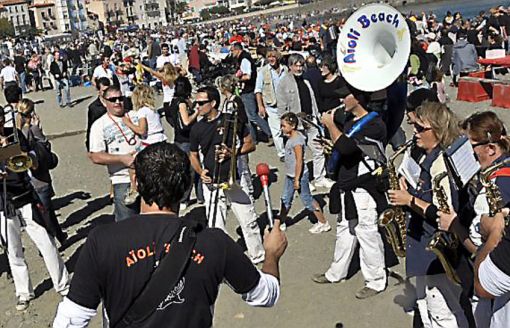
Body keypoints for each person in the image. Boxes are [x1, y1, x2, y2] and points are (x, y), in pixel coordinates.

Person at [53, 142, 287, 327]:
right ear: (186, 187)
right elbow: (266, 295)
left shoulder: (102, 241)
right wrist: (272, 254)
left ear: (135, 182)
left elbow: (70, 320)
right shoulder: (215, 242)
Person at [388, 102, 469, 327]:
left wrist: (410, 200)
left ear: (438, 129)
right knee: (427, 307)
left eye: (421, 128)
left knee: (443, 312)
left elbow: (444, 214)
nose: (415, 131)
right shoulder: (428, 155)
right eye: (415, 125)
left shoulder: (442, 164)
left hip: (434, 250)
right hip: (421, 245)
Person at [313, 90, 388, 299]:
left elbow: (347, 147)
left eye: (345, 96)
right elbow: (343, 147)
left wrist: (330, 124)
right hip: (347, 186)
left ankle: (376, 280)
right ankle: (336, 273)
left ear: (358, 98)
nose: (340, 100)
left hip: (364, 188)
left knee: (367, 233)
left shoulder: (375, 125)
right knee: (345, 229)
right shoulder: (348, 119)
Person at [0, 106, 69, 311]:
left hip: (26, 197)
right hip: (3, 203)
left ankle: (63, 285)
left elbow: (29, 158)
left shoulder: (15, 135)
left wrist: (7, 148)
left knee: (46, 241)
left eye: (0, 120)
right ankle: (24, 292)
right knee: (14, 251)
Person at [189, 86, 265, 264]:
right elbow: (192, 155)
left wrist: (234, 152)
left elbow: (250, 143)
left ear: (213, 103)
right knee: (216, 226)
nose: (196, 107)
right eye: (196, 103)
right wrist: (201, 172)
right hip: (211, 182)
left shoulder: (231, 120)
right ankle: (221, 262)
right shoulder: (197, 129)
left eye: (201, 103)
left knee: (248, 220)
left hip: (234, 179)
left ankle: (258, 256)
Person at [276, 53, 332, 189]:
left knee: (318, 149)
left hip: (310, 121)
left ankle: (320, 177)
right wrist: (287, 126)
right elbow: (282, 107)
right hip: (296, 124)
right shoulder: (283, 83)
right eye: (296, 65)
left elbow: (312, 100)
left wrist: (317, 117)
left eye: (301, 65)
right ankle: (303, 180)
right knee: (300, 155)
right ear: (290, 66)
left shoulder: (306, 81)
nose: (299, 68)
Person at [16, 99, 66, 245]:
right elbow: (46, 150)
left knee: (45, 213)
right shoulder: (32, 129)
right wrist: (40, 131)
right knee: (45, 213)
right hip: (40, 178)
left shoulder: (16, 132)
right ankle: (51, 242)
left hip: (29, 179)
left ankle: (57, 238)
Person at [88, 85, 139, 222]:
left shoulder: (135, 115)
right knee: (127, 225)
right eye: (113, 99)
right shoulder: (99, 125)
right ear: (104, 102)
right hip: (123, 180)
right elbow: (95, 156)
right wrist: (121, 159)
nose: (118, 102)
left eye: (120, 98)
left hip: (148, 176)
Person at [279, 112, 330, 234]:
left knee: (307, 200)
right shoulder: (292, 138)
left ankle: (323, 223)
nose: (282, 128)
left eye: (284, 126)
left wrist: (297, 179)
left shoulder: (297, 141)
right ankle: (281, 222)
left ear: (293, 126)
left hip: (298, 176)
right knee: (286, 198)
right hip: (291, 175)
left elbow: (299, 161)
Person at [122, 85, 167, 205]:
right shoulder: (153, 110)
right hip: (160, 140)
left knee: (132, 166)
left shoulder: (142, 111)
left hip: (150, 142)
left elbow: (142, 130)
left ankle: (134, 189)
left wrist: (128, 123)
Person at [165, 76, 201, 208]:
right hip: (186, 139)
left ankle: (196, 195)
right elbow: (186, 121)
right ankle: (184, 198)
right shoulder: (181, 103)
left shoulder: (173, 101)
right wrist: (196, 113)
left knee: (183, 168)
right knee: (190, 169)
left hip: (178, 138)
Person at [231, 42, 273, 143]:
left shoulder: (244, 59)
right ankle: (253, 138)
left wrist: (237, 78)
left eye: (232, 51)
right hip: (249, 89)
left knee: (252, 116)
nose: (231, 53)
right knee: (249, 116)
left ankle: (270, 132)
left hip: (249, 90)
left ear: (237, 50)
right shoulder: (243, 58)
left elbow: (248, 76)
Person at [255, 48, 287, 161]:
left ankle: (290, 149)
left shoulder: (285, 70)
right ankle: (282, 153)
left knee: (288, 129)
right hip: (271, 105)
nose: (271, 59)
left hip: (285, 104)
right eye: (269, 57)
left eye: (273, 56)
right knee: (276, 131)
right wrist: (260, 106)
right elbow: (258, 90)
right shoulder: (263, 72)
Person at [85, 77, 111, 152]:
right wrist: (89, 144)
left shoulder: (116, 102)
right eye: (104, 91)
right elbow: (91, 126)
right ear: (98, 90)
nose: (106, 93)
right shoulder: (94, 108)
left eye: (108, 90)